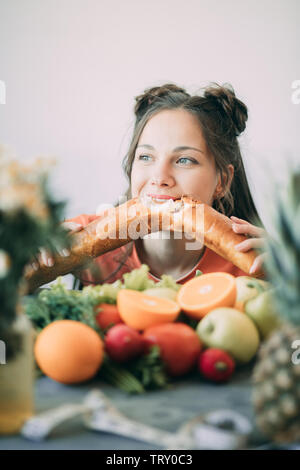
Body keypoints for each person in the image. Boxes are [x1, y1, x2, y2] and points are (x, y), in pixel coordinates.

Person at [30, 82, 268, 287]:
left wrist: (288, 276)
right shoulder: (78, 236)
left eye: (184, 160)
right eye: (145, 157)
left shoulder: (257, 262)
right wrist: (23, 258)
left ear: (222, 181)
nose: (159, 177)